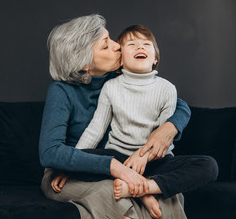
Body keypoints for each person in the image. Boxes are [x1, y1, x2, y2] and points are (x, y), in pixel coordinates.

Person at [39, 14, 190, 219]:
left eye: (110, 38)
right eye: (105, 46)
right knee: (108, 193)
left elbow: (178, 104)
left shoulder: (118, 77)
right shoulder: (61, 90)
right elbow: (50, 152)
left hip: (122, 165)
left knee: (169, 195)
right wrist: (95, 166)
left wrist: (169, 128)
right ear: (84, 64)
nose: (117, 45)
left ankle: (138, 190)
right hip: (70, 175)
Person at [74, 24, 218, 218]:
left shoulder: (167, 89)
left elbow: (163, 138)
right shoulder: (111, 87)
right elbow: (96, 129)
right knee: (78, 166)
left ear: (155, 58)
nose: (139, 47)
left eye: (146, 44)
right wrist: (74, 161)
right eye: (131, 44)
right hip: (119, 159)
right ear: (121, 59)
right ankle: (138, 187)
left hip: (156, 161)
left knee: (208, 166)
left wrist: (143, 157)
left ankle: (146, 188)